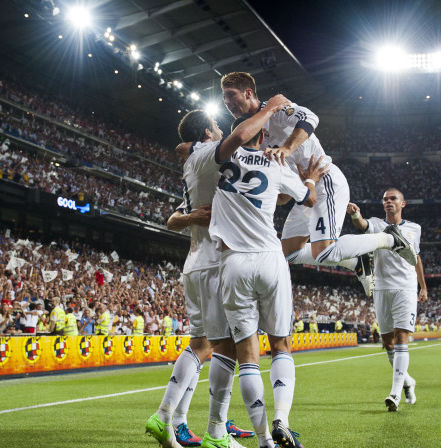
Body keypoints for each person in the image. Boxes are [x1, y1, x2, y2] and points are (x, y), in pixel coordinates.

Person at [148, 103, 289, 448]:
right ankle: (212, 430)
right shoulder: (215, 155)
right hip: (218, 261)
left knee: (202, 344)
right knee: (223, 348)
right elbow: (240, 137)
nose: (223, 132)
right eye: (216, 127)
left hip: (195, 263)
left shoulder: (193, 161)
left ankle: (172, 419)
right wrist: (272, 110)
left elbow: (184, 152)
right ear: (208, 136)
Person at [220, 72, 416, 285]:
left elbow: (311, 118)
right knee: (287, 254)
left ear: (248, 93)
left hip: (325, 180)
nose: (227, 102)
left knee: (324, 253)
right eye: (224, 99)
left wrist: (287, 148)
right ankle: (355, 262)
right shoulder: (253, 134)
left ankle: (391, 238)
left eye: (231, 95)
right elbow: (284, 196)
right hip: (306, 189)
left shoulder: (276, 109)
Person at [208, 103, 328, 448]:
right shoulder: (276, 163)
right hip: (270, 258)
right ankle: (282, 420)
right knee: (281, 345)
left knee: (247, 354)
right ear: (263, 134)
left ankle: (264, 441)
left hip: (234, 262)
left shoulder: (220, 159)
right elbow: (309, 199)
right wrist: (310, 178)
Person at [347, 189, 428, 412]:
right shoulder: (376, 224)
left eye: (393, 199)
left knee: (402, 336)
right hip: (382, 288)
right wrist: (355, 215)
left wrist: (423, 286)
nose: (388, 202)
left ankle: (394, 393)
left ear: (403, 203)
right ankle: (408, 381)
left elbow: (416, 258)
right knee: (387, 342)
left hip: (406, 287)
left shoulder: (414, 229)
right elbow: (362, 225)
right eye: (385, 199)